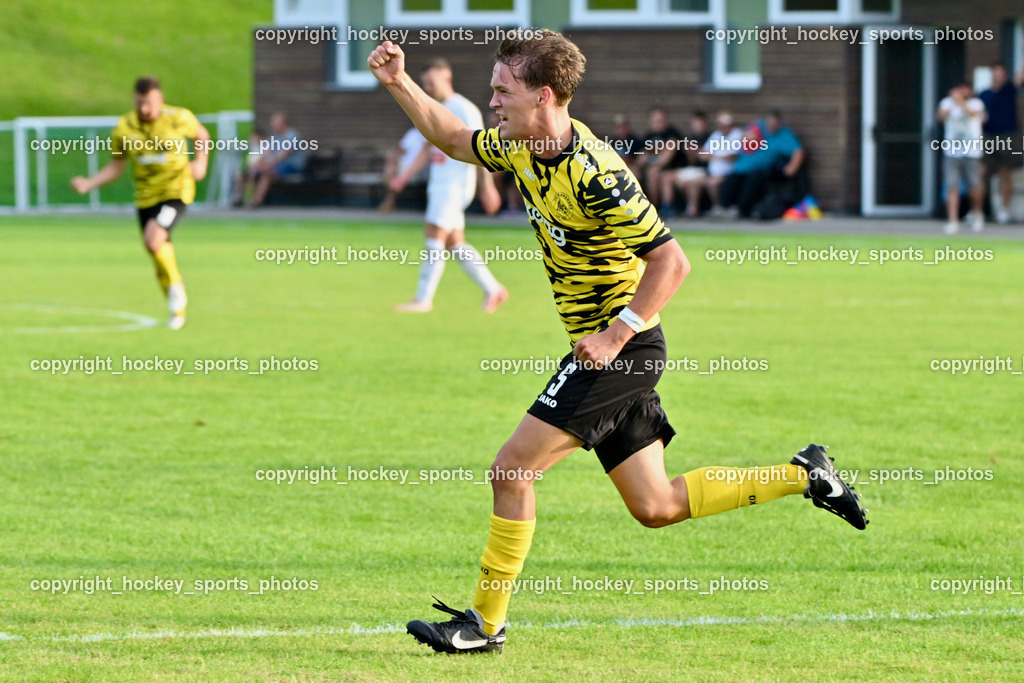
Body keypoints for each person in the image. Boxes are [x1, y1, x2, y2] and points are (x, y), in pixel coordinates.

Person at [367, 29, 868, 655]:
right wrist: (398, 83)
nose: (491, 102)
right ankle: (804, 476)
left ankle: (483, 626)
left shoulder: (595, 171)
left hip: (622, 350)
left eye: (501, 91)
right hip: (601, 348)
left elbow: (672, 263)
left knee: (512, 469)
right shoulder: (522, 144)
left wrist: (614, 333)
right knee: (656, 505)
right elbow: (450, 137)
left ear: (543, 94)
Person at [71, 76, 209, 330]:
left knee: (153, 239)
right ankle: (175, 298)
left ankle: (177, 296)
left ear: (160, 99)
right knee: (155, 248)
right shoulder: (125, 127)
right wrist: (90, 183)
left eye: (149, 103)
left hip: (176, 192)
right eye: (139, 103)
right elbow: (116, 166)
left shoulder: (178, 118)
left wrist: (200, 163)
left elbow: (201, 135)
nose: (144, 109)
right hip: (146, 197)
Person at [389, 59, 507, 314]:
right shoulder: (436, 108)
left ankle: (422, 299)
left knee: (434, 234)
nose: (427, 88)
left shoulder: (465, 109)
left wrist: (487, 187)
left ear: (447, 79)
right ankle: (494, 289)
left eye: (431, 83)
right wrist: (404, 176)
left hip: (454, 186)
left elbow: (481, 150)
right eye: (425, 84)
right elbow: (425, 148)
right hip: (440, 184)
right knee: (456, 243)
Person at [719, 111, 804, 218]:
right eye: (769, 123)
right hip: (742, 167)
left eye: (774, 124)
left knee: (751, 182)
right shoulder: (757, 128)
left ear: (779, 123)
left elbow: (798, 151)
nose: (771, 126)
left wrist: (792, 167)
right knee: (731, 180)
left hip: (761, 170)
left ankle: (740, 209)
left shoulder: (784, 135)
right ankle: (723, 207)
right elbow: (742, 136)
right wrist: (747, 136)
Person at [937, 82, 986, 234]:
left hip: (972, 151)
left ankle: (977, 214)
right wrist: (953, 103)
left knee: (974, 186)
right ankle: (953, 220)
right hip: (952, 151)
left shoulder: (976, 103)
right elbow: (940, 117)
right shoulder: (947, 103)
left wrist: (960, 101)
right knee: (952, 185)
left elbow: (972, 113)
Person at [978, 62, 1023, 224]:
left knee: (1005, 172)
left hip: (1006, 135)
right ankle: (978, 211)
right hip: (988, 135)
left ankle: (1004, 210)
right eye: (996, 73)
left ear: (1005, 75)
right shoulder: (984, 94)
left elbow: (1020, 77)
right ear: (992, 75)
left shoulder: (1009, 89)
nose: (999, 76)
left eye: (1001, 73)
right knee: (981, 172)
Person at [249, 112, 307, 207]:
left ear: (283, 123)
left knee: (267, 173)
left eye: (275, 122)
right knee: (254, 171)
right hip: (277, 164)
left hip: (292, 165)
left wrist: (268, 165)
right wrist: (259, 164)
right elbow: (267, 152)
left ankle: (257, 201)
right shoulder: (274, 136)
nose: (272, 125)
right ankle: (249, 199)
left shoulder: (292, 135)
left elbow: (283, 155)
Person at [659, 111, 711, 217]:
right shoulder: (690, 139)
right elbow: (689, 161)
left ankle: (692, 210)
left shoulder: (710, 138)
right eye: (696, 123)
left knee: (690, 182)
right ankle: (667, 206)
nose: (698, 126)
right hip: (689, 169)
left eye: (700, 123)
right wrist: (690, 153)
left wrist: (698, 152)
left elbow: (708, 158)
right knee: (666, 176)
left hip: (702, 171)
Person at [695, 111, 744, 216]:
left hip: (729, 172)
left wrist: (713, 156)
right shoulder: (716, 135)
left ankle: (719, 207)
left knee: (712, 183)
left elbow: (732, 156)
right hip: (712, 172)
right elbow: (703, 153)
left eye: (726, 125)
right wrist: (712, 156)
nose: (724, 127)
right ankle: (693, 210)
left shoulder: (737, 134)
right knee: (694, 181)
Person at [636, 107, 683, 208]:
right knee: (649, 172)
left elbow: (668, 154)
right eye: (654, 121)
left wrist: (655, 163)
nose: (657, 123)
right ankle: (653, 208)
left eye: (659, 120)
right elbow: (642, 156)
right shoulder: (649, 136)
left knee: (658, 173)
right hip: (656, 169)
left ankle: (662, 207)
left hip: (675, 169)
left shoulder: (672, 133)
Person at [378, 126, 429, 212]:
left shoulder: (430, 133)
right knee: (392, 164)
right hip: (404, 166)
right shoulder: (413, 133)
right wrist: (393, 154)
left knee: (397, 174)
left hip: (421, 169)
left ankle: (389, 193)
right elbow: (401, 148)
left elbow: (426, 155)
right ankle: (390, 180)